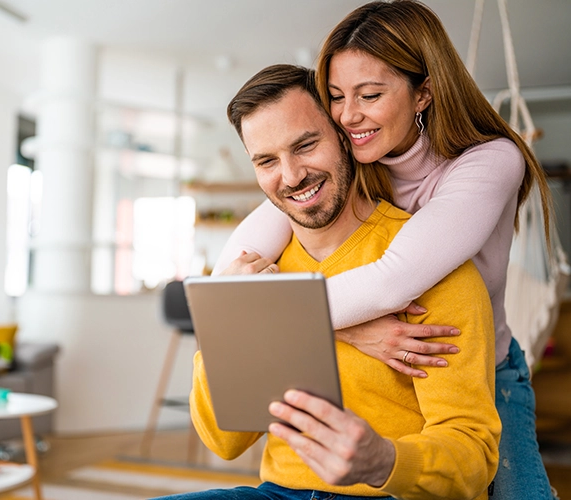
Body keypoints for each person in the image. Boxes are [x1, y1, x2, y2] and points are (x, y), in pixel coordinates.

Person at [213, 1, 555, 498]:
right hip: (392, 367)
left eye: (369, 95)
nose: (349, 116)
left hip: (477, 367)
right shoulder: (353, 158)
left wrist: (272, 313)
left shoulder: (490, 161)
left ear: (424, 93)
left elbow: (394, 279)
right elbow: (236, 265)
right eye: (334, 97)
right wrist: (355, 332)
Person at [154, 64, 500, 500]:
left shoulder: (431, 267)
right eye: (267, 161)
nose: (292, 175)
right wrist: (228, 316)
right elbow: (224, 441)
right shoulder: (258, 269)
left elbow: (472, 459)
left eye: (306, 145)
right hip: (279, 491)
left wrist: (385, 460)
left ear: (345, 136)